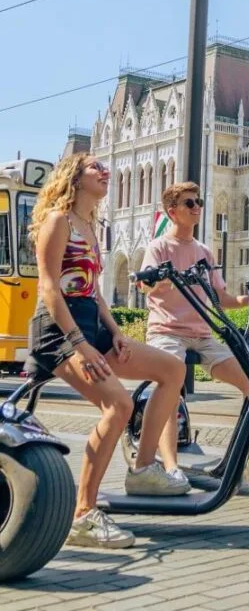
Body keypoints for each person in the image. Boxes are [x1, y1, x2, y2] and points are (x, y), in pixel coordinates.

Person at [27, 153, 189, 550]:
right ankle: (83, 514)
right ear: (74, 177)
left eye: (104, 168)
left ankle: (143, 469)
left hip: (92, 326)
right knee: (119, 405)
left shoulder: (90, 226)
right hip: (58, 332)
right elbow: (50, 288)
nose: (104, 172)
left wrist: (115, 333)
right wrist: (80, 345)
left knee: (172, 370)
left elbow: (95, 292)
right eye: (94, 167)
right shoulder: (58, 221)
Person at [139, 181, 249, 481]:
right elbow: (144, 285)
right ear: (172, 212)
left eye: (199, 202)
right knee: (171, 388)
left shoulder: (204, 252)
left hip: (202, 335)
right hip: (166, 331)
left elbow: (220, 298)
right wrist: (161, 278)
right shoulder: (159, 247)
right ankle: (171, 466)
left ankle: (247, 454)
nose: (197, 208)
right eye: (190, 203)